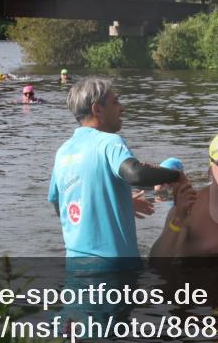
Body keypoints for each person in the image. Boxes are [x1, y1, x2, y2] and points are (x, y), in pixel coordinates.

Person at [47, 77, 193, 258]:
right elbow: (135, 173)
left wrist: (113, 203)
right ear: (97, 109)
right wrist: (175, 176)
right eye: (115, 102)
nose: (122, 108)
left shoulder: (63, 151)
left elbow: (59, 204)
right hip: (114, 269)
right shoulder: (108, 142)